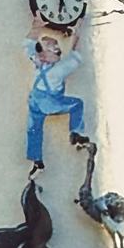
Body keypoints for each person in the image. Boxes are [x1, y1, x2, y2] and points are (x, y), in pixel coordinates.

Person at [24, 13, 89, 177]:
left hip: (34, 101)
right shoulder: (58, 70)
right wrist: (78, 33)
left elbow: (28, 43)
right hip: (50, 102)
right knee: (77, 104)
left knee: (34, 129)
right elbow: (75, 58)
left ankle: (37, 161)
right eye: (54, 48)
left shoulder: (37, 62)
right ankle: (76, 132)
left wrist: (37, 25)